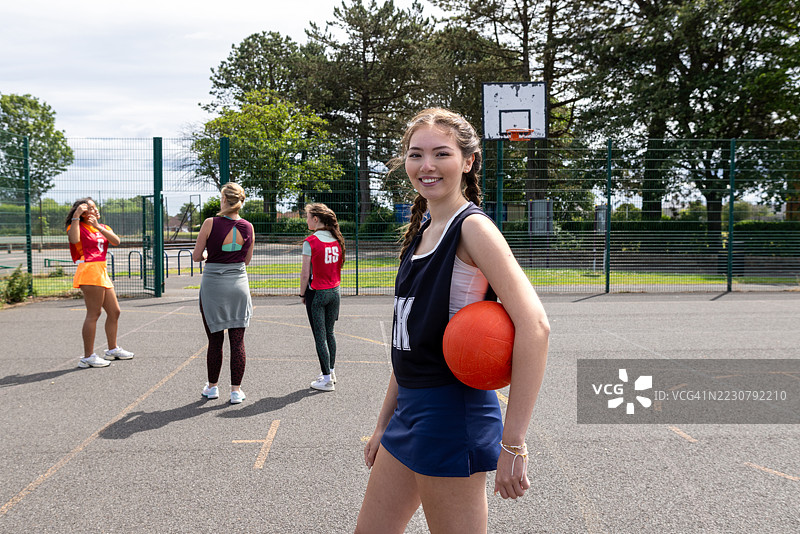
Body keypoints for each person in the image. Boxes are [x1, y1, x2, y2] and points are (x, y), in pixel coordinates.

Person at [354, 108, 550, 534]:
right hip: (411, 409)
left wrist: (513, 442)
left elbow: (535, 326)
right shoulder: (421, 231)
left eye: (441, 153)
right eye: (415, 154)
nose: (426, 166)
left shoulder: (473, 229)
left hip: (450, 413)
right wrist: (384, 422)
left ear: (468, 161)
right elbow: (408, 342)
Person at [192, 183, 254, 404]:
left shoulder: (210, 223)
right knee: (238, 341)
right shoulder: (248, 226)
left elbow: (196, 256)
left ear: (225, 200)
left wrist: (210, 253)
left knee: (215, 340)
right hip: (238, 284)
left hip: (213, 286)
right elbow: (246, 260)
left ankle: (212, 388)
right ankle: (236, 391)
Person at [66, 198, 134, 368]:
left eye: (95, 207)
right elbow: (74, 240)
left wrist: (97, 226)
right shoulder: (76, 226)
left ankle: (112, 349)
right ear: (82, 212)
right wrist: (75, 216)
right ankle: (88, 357)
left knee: (114, 312)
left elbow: (116, 241)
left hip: (101, 271)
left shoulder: (102, 227)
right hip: (89, 271)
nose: (95, 210)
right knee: (93, 314)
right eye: (90, 208)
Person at [299, 203, 345, 392]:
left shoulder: (311, 242)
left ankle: (326, 379)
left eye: (308, 216)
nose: (306, 219)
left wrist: (302, 294)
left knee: (320, 336)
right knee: (330, 333)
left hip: (317, 293)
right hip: (335, 291)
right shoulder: (337, 239)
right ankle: (331, 371)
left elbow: (304, 273)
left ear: (316, 219)